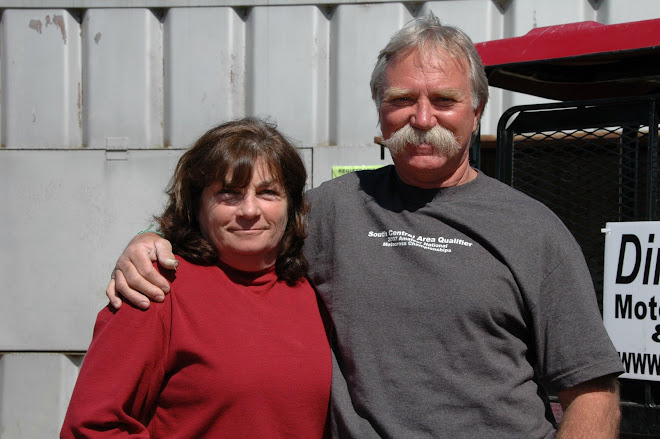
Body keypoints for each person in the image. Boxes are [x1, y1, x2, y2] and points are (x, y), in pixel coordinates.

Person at [106, 14, 623, 438]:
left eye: (444, 100)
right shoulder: (331, 210)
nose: (423, 118)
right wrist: (151, 242)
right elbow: (237, 231)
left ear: (477, 111)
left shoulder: (533, 229)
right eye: (401, 100)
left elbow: (592, 395)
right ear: (380, 113)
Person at [61, 118, 331, 437]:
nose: (249, 210)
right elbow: (91, 427)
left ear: (292, 205)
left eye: (268, 192)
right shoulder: (156, 288)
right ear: (196, 206)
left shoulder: (313, 286)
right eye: (228, 194)